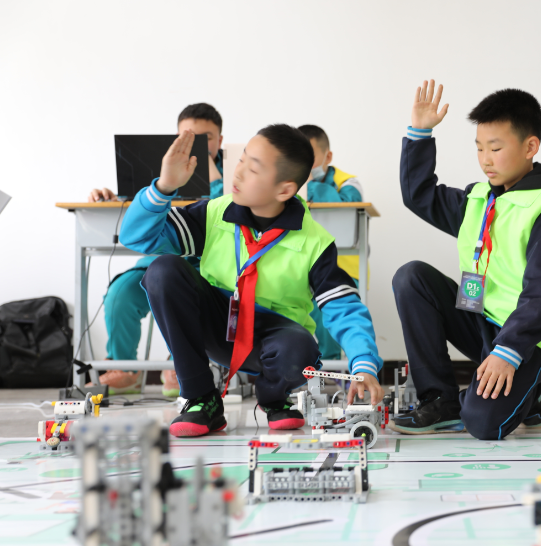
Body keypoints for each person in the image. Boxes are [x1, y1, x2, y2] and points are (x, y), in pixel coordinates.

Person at [119, 125, 384, 437]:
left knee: (300, 348)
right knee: (163, 270)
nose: (239, 172)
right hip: (218, 323)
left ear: (284, 190)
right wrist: (163, 188)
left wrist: (363, 364)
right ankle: (200, 398)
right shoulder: (214, 213)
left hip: (273, 339)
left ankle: (274, 398)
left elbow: (344, 308)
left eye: (253, 168)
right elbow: (135, 237)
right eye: (242, 159)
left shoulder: (315, 242)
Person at [389, 81, 541, 440]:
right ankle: (441, 400)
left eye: (495, 148)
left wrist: (509, 352)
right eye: (479, 148)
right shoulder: (478, 199)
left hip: (527, 335)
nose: (485, 160)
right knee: (411, 277)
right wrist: (420, 133)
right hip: (479, 317)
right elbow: (419, 195)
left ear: (530, 147)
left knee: (483, 422)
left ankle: (533, 386)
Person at [87, 103, 225, 396]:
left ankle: (182, 365)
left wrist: (214, 175)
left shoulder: (237, 172)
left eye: (207, 138)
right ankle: (125, 369)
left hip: (211, 265)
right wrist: (111, 197)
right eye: (190, 137)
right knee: (120, 294)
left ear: (220, 141)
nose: (198, 145)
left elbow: (233, 208)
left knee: (188, 297)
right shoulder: (161, 168)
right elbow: (139, 210)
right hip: (159, 262)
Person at [298, 124, 365, 361]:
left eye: (310, 156)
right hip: (303, 267)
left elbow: (347, 205)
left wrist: (308, 185)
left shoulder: (348, 182)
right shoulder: (287, 186)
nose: (304, 163)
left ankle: (331, 363)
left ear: (328, 157)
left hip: (344, 268)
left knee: (326, 304)